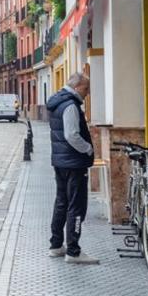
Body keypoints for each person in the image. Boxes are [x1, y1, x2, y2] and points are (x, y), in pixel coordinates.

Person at [47, 72, 98, 264]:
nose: (87, 93)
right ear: (77, 87)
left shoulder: (58, 102)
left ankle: (56, 245)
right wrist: (88, 149)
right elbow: (71, 135)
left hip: (60, 161)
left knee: (61, 202)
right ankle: (73, 251)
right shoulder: (70, 106)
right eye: (86, 89)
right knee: (76, 206)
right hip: (74, 162)